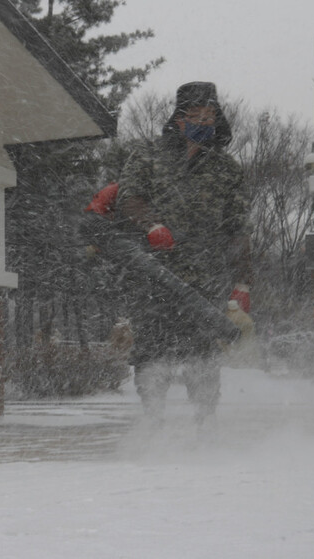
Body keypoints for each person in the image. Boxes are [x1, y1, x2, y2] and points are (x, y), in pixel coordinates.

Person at [115, 81, 252, 429]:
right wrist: (150, 225)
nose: (203, 123)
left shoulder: (227, 169)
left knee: (203, 355)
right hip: (153, 276)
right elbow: (129, 198)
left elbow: (237, 229)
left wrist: (242, 283)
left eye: (209, 117)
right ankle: (153, 423)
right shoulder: (147, 156)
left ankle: (205, 423)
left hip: (205, 279)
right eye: (195, 116)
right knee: (151, 353)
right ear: (178, 119)